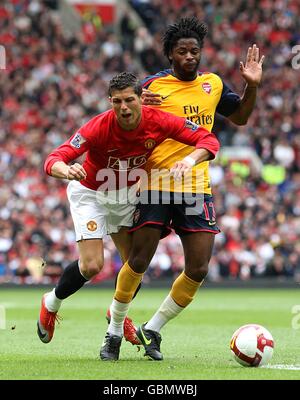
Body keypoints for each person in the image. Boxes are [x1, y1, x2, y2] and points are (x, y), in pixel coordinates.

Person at [102, 17, 264, 361]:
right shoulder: (152, 87)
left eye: (195, 51)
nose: (191, 56)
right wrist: (137, 106)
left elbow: (241, 118)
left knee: (199, 268)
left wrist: (252, 86)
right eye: (182, 51)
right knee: (139, 259)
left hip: (195, 187)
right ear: (170, 56)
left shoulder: (213, 84)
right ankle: (114, 331)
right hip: (155, 183)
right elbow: (122, 119)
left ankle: (153, 329)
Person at [37, 71, 219, 345]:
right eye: (117, 101)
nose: (123, 108)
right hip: (91, 192)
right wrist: (67, 170)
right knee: (92, 266)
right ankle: (51, 303)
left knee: (133, 268)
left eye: (129, 100)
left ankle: (117, 317)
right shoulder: (97, 127)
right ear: (110, 101)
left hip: (123, 195)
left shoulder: (159, 121)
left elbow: (208, 139)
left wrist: (191, 160)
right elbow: (55, 158)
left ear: (141, 100)